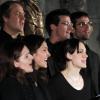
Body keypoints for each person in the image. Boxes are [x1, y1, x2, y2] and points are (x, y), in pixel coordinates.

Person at [70, 11, 100, 98]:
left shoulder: (94, 56)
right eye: (82, 24)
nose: (88, 27)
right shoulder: (65, 54)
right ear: (72, 28)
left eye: (89, 23)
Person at [45, 9, 73, 78]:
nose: (70, 29)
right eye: (66, 24)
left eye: (70, 24)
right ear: (53, 27)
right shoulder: (40, 48)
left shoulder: (71, 49)